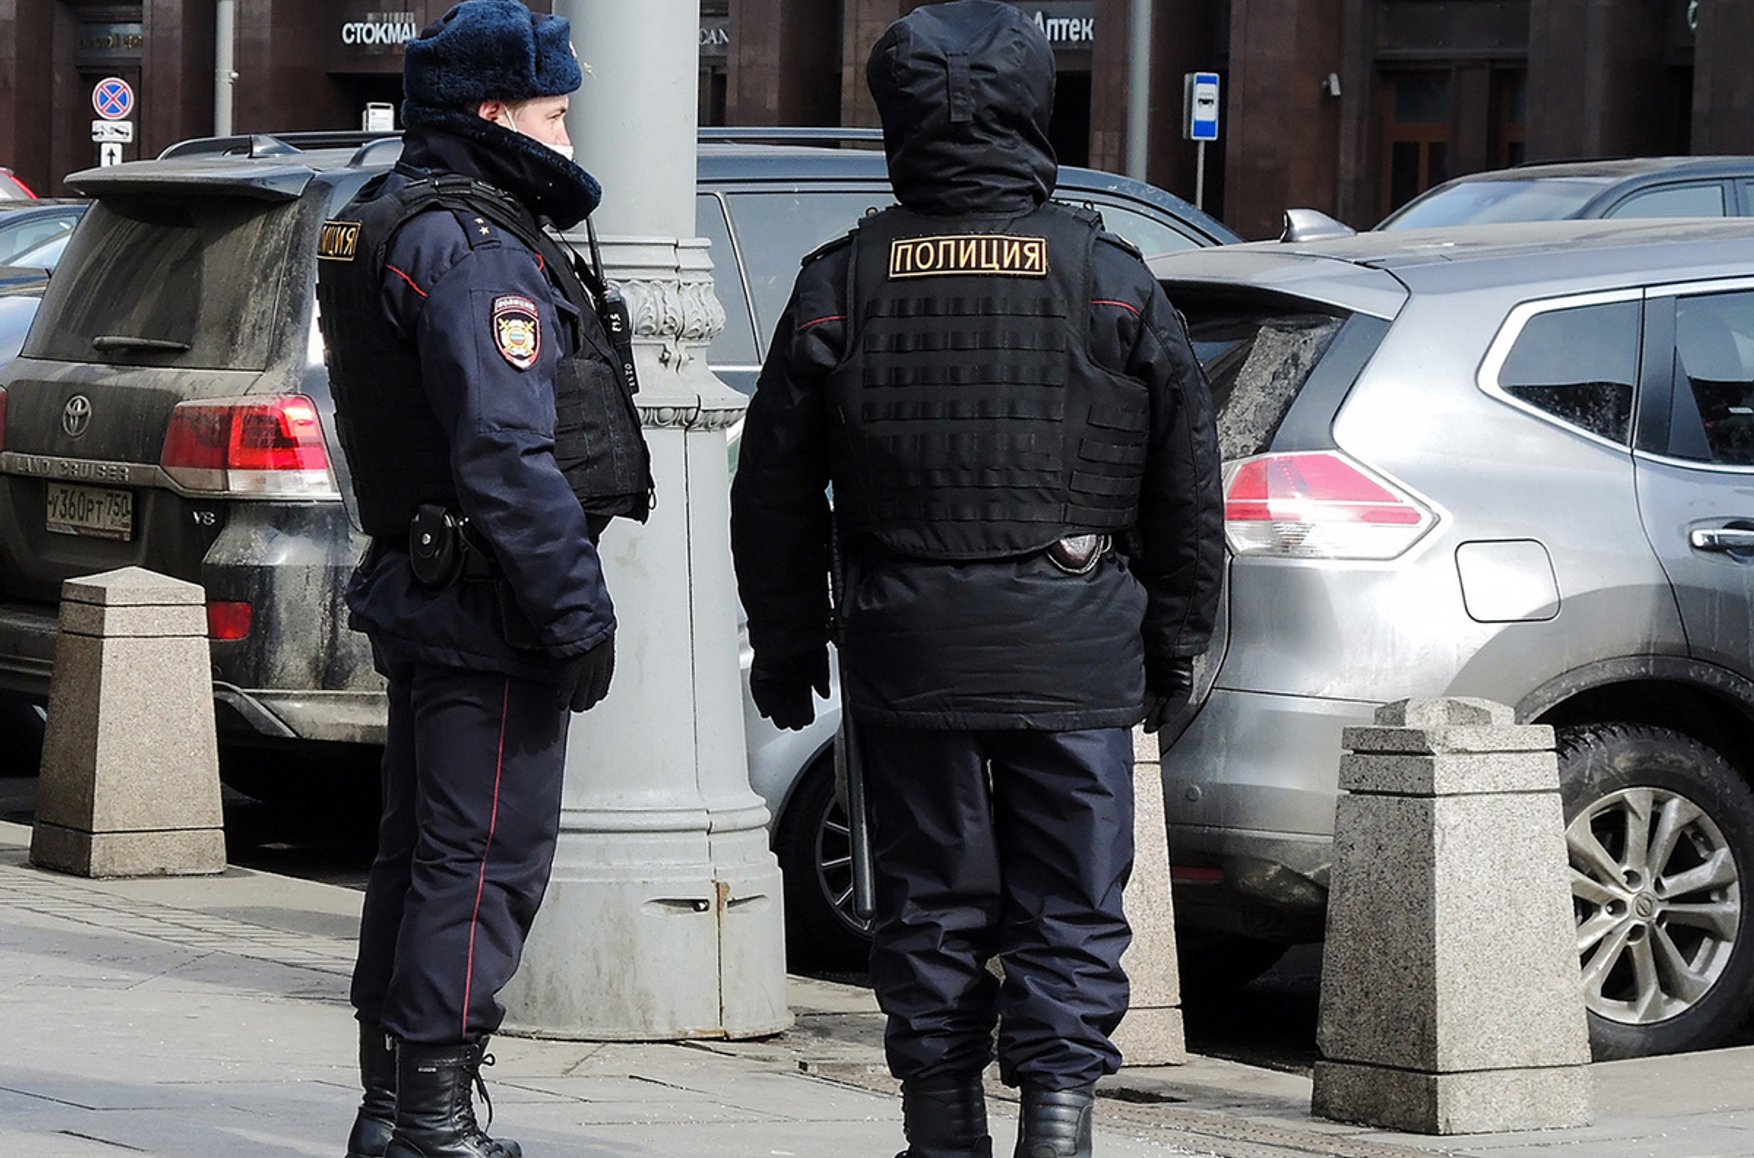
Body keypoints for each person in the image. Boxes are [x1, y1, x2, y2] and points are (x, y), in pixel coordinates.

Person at [729, 4, 1224, 1157]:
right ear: (1032, 107)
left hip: (908, 649)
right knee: (1070, 910)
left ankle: (941, 1137)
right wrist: (1175, 639)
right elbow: (1184, 481)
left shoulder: (841, 280)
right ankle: (1055, 1131)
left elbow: (774, 486)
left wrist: (787, 641)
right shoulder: (1107, 277)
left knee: (928, 906)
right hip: (1075, 645)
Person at [315, 3, 649, 1156]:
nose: (567, 138)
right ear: (495, 112)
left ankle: (390, 1108)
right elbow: (506, 453)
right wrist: (575, 612)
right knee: (481, 865)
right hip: (487, 597)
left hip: (428, 579)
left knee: (420, 855)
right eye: (553, 115)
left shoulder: (385, 216)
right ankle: (433, 1121)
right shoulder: (474, 245)